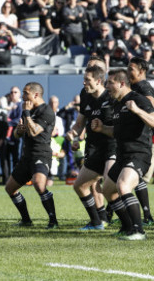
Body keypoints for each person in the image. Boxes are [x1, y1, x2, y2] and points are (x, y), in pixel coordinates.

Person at [92, 69, 154, 240]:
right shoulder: (117, 103)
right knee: (108, 191)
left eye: (110, 82)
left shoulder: (138, 100)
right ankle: (127, 226)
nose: (107, 86)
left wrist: (137, 110)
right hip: (123, 155)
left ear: (122, 84)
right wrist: (102, 128)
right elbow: (118, 131)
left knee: (123, 186)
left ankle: (139, 231)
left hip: (139, 154)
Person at [5, 82, 58, 229]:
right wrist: (19, 130)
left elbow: (34, 131)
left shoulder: (46, 111)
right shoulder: (26, 110)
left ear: (35, 94)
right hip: (27, 155)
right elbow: (16, 134)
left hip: (41, 153)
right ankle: (26, 220)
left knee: (39, 185)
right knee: (10, 188)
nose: (23, 96)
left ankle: (53, 221)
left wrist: (27, 114)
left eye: (25, 93)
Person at [68, 65, 115, 230]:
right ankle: (97, 222)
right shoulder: (86, 96)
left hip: (112, 148)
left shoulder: (111, 97)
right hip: (94, 148)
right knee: (79, 185)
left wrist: (104, 128)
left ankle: (132, 223)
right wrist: (74, 135)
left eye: (87, 80)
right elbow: (80, 122)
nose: (84, 83)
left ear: (99, 81)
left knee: (112, 187)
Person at [127, 57, 154, 225]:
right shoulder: (134, 87)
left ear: (141, 71)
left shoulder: (143, 87)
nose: (128, 71)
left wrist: (135, 113)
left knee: (122, 178)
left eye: (131, 68)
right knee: (132, 178)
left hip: (139, 139)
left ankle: (110, 214)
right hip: (130, 137)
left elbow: (149, 107)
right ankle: (147, 215)